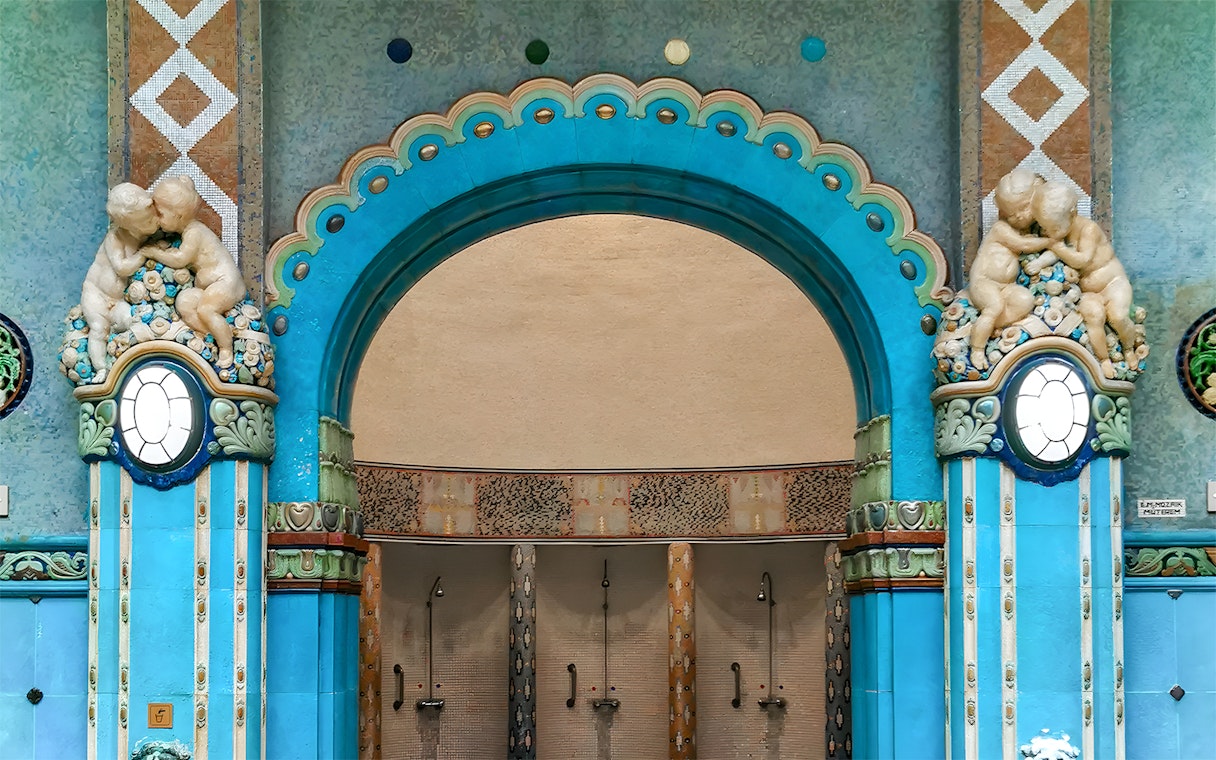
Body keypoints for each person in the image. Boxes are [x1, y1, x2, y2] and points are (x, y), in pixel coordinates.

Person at [1026, 181, 1139, 378]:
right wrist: (1040, 262)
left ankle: (1129, 347)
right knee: (1093, 315)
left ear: (1072, 213)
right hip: (1089, 292)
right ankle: (1103, 359)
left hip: (1113, 283)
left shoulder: (1089, 229)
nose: (1049, 233)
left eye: (1054, 227)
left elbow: (1081, 259)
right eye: (1046, 228)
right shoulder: (1057, 235)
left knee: (1118, 316)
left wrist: (1056, 246)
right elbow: (1056, 251)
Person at [144, 176, 245, 367]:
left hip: (226, 283)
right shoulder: (187, 233)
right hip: (210, 286)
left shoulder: (195, 232)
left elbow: (180, 259)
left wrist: (155, 252)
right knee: (184, 302)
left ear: (178, 215)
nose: (158, 219)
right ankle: (210, 335)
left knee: (207, 309)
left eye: (161, 214)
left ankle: (226, 348)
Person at [967, 169, 1057, 371]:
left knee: (1025, 299)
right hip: (984, 283)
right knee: (994, 306)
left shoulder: (1024, 231)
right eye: (1011, 213)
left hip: (1005, 286)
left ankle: (995, 327)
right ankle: (977, 347)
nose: (1017, 217)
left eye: (1022, 209)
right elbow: (1021, 245)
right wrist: (1050, 241)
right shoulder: (1000, 229)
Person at [80, 183, 160, 382]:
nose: (154, 221)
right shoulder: (115, 236)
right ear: (128, 225)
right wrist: (144, 254)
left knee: (132, 321)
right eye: (146, 221)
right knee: (98, 329)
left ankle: (129, 362)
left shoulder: (150, 235)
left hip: (118, 300)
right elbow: (122, 267)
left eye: (151, 216)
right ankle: (100, 369)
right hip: (96, 293)